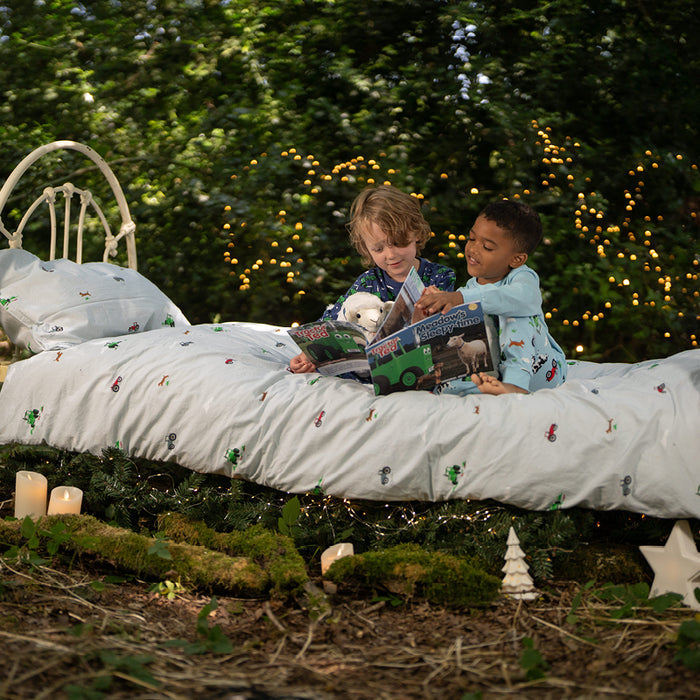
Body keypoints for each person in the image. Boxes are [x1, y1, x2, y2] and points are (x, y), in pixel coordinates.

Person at [290, 184, 456, 373]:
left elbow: (449, 330)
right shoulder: (367, 282)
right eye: (378, 249)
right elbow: (332, 320)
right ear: (366, 248)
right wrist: (308, 355)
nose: (391, 254)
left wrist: (438, 305)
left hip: (419, 364)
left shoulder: (440, 277)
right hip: (372, 371)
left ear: (416, 233)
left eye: (399, 243)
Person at [415, 199, 567, 395]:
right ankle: (465, 387)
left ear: (517, 259)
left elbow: (521, 298)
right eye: (471, 238)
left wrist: (459, 298)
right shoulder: (469, 288)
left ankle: (515, 385)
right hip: (497, 374)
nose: (473, 249)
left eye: (487, 247)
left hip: (541, 372)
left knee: (514, 313)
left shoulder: (522, 278)